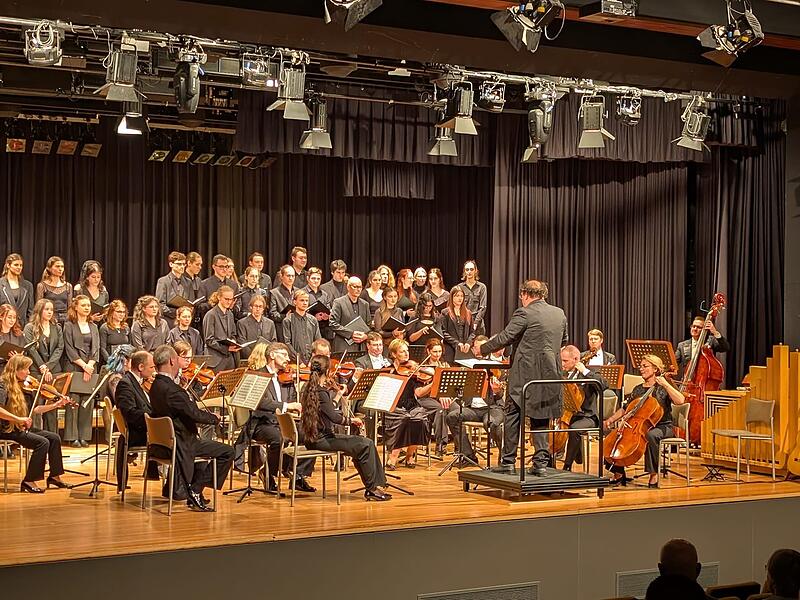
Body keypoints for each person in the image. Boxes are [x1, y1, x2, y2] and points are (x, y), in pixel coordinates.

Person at [475, 280, 568, 476]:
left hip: (525, 375)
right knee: (541, 418)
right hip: (551, 374)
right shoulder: (559, 313)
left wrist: (482, 349)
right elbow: (564, 340)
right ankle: (541, 464)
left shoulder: (524, 313)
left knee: (512, 415)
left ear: (525, 294)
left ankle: (508, 461)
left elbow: (505, 337)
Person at [149, 344, 233, 512]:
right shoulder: (173, 390)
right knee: (227, 451)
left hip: (165, 443)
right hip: (182, 443)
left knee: (205, 447)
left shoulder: (156, 386)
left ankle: (194, 489)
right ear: (173, 360)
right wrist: (214, 419)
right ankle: (195, 489)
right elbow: (194, 414)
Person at [299, 355, 391, 501]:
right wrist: (351, 420)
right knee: (366, 444)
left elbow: (328, 409)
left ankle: (373, 486)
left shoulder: (310, 387)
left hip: (315, 437)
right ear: (328, 371)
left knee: (363, 445)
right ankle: (373, 488)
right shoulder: (321, 391)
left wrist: (338, 395)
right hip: (322, 439)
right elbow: (335, 418)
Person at [233, 342, 315, 492]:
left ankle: (297, 475)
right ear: (272, 355)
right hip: (261, 423)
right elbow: (261, 402)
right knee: (280, 439)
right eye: (283, 355)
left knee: (310, 434)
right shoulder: (257, 375)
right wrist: (286, 406)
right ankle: (268, 473)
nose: (287, 359)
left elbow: (289, 400)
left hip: (281, 421)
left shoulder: (285, 378)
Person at [603, 354, 686, 486]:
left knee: (651, 435)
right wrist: (611, 420)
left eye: (645, 366)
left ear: (655, 369)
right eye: (640, 366)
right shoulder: (638, 389)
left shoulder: (664, 386)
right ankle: (618, 473)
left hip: (663, 426)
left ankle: (654, 474)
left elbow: (680, 400)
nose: (641, 369)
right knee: (612, 437)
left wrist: (665, 384)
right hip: (638, 425)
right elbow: (625, 409)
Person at [0, 355, 69, 493]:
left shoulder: (22, 387)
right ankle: (29, 480)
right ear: (16, 370)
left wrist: (56, 404)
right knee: (42, 442)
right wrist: (19, 419)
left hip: (18, 427)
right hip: (5, 428)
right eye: (26, 369)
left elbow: (36, 410)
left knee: (54, 438)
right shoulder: (3, 385)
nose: (29, 372)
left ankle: (54, 476)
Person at [445, 335, 504, 463]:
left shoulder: (497, 367)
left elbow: (501, 396)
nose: (479, 351)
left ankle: (505, 455)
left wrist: (497, 391)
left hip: (492, 408)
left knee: (491, 423)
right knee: (452, 417)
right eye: (477, 348)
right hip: (471, 408)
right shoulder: (467, 366)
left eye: (482, 348)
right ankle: (468, 456)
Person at [113, 350, 159, 492]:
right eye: (151, 367)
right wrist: (154, 418)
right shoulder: (125, 384)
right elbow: (130, 413)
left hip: (143, 428)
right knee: (176, 438)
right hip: (138, 432)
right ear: (140, 367)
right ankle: (176, 486)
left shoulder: (136, 382)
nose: (154, 370)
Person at [384, 339, 432, 470]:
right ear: (394, 354)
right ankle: (393, 457)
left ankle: (410, 455)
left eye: (407, 351)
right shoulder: (387, 370)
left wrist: (432, 383)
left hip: (411, 404)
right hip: (394, 405)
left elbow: (419, 393)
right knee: (404, 419)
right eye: (402, 351)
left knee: (420, 420)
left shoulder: (413, 371)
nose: (406, 354)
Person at [559, 345, 607, 472]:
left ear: (575, 359)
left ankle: (567, 466)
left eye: (565, 361)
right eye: (561, 360)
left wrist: (585, 371)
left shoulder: (589, 372)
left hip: (588, 416)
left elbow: (604, 385)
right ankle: (549, 463)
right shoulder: (564, 374)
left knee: (574, 428)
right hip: (570, 415)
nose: (562, 363)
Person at [62, 295, 101, 447]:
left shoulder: (93, 327)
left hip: (90, 367)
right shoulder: (68, 325)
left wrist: (90, 365)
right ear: (76, 307)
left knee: (87, 402)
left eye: (88, 305)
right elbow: (69, 349)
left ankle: (84, 435)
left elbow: (96, 348)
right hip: (75, 366)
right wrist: (84, 366)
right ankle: (72, 437)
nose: (86, 308)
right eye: (83, 305)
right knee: (73, 402)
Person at [23, 299, 65, 433]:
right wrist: (42, 366)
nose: (49, 312)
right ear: (40, 310)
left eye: (51, 310)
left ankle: (53, 437)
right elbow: (31, 350)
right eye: (47, 309)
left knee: (52, 406)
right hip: (36, 371)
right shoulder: (30, 327)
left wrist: (48, 367)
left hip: (53, 371)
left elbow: (60, 348)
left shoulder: (56, 328)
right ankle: (36, 437)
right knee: (37, 406)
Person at [329, 277, 371, 353]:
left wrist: (365, 336)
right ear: (348, 287)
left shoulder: (365, 304)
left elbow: (369, 325)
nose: (358, 289)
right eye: (355, 287)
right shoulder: (339, 302)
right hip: (343, 345)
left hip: (361, 346)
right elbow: (333, 323)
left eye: (360, 287)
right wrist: (351, 334)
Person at [203, 285, 240, 372]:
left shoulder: (230, 314)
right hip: (216, 360)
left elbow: (233, 334)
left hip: (229, 359)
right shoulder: (211, 315)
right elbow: (209, 340)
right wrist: (226, 348)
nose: (229, 302)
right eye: (226, 299)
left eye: (231, 299)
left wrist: (234, 343)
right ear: (219, 297)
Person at [283, 290, 321, 364]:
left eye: (306, 300)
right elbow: (287, 343)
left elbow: (317, 341)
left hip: (312, 361)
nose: (305, 303)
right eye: (302, 300)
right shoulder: (288, 320)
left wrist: (312, 359)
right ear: (294, 302)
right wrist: (299, 361)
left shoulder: (313, 320)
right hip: (295, 362)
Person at [440, 286, 474, 364]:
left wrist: (468, 343)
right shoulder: (445, 313)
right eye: (457, 296)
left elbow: (472, 332)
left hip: (464, 350)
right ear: (452, 297)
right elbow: (443, 332)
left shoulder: (468, 313)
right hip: (450, 349)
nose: (460, 298)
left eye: (462, 296)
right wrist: (457, 343)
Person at [236, 295, 277, 360]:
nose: (258, 309)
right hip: (249, 359)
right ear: (251, 307)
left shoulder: (270, 323)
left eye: (260, 306)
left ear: (263, 308)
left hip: (266, 359)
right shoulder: (242, 323)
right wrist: (254, 357)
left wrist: (266, 356)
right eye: (255, 306)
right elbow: (242, 343)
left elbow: (273, 342)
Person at [36, 256, 73, 324]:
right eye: (57, 266)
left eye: (62, 266)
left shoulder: (68, 286)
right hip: (49, 319)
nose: (60, 269)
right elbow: (39, 307)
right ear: (49, 268)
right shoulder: (42, 286)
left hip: (65, 320)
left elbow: (70, 307)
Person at [1, 253, 35, 326]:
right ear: (8, 265)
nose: (19, 267)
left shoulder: (28, 285)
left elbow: (31, 310)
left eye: (21, 265)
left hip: (22, 326)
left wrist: (28, 326)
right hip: (3, 326)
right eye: (16, 265)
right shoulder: (1, 284)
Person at [155, 251, 189, 322]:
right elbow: (160, 305)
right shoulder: (163, 281)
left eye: (184, 264)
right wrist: (177, 313)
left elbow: (190, 302)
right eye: (179, 264)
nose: (182, 267)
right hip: (169, 320)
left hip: (185, 320)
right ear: (171, 264)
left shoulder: (188, 282)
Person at [269, 265, 298, 341]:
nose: (291, 278)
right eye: (288, 275)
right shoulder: (274, 293)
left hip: (296, 330)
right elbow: (272, 314)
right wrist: (285, 316)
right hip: (282, 330)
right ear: (281, 276)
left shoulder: (298, 291)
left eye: (293, 276)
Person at [372, 287, 405, 352]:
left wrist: (402, 333)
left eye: (395, 296)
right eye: (390, 296)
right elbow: (378, 331)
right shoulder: (379, 312)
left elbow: (403, 327)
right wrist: (392, 333)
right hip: (385, 344)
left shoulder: (399, 311)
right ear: (385, 297)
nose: (393, 299)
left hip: (397, 344)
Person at [459, 259, 487, 336]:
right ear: (464, 271)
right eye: (467, 269)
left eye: (471, 269)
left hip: (478, 326)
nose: (469, 271)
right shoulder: (459, 287)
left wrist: (475, 323)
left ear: (475, 271)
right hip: (463, 324)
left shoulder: (482, 287)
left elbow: (483, 307)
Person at [99, 300, 131, 364]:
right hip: (110, 362)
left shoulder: (126, 328)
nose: (122, 314)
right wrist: (111, 362)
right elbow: (102, 348)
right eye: (119, 312)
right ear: (112, 312)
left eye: (123, 312)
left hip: (124, 362)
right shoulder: (105, 328)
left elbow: (129, 345)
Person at [0, 304, 25, 368]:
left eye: (14, 317)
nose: (12, 320)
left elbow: (23, 353)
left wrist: (18, 357)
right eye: (9, 317)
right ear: (1, 317)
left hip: (15, 368)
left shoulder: (19, 334)